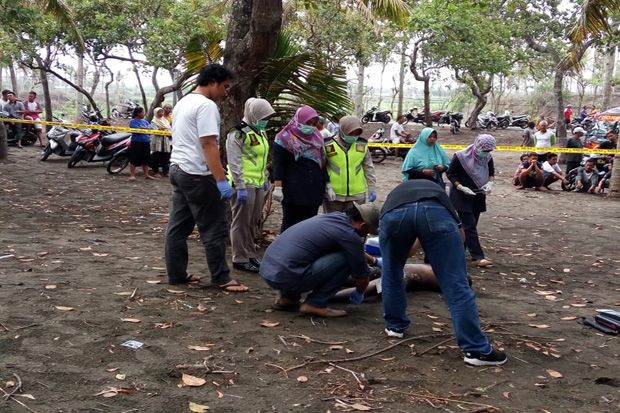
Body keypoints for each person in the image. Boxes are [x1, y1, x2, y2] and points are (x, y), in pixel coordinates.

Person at [379, 179, 507, 366]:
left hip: (394, 215)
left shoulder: (397, 193)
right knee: (456, 283)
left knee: (391, 272)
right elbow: (461, 234)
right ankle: (476, 350)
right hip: (435, 215)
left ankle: (395, 326)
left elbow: (404, 249)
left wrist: (415, 236)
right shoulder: (439, 195)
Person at [164, 64, 247, 292]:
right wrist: (221, 180)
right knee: (213, 228)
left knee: (178, 227)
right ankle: (221, 278)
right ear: (213, 82)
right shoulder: (206, 106)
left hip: (178, 169)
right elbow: (208, 143)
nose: (226, 92)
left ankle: (177, 274)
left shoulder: (183, 102)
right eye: (225, 87)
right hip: (198, 174)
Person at [259, 203, 379, 317]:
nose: (365, 235)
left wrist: (374, 261)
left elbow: (355, 252)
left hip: (269, 269)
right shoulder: (349, 234)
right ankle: (315, 304)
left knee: (304, 255)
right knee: (346, 260)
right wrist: (359, 292)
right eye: (367, 232)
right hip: (286, 275)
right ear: (363, 226)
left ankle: (287, 298)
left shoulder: (333, 218)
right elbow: (362, 275)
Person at [226, 97, 275, 273]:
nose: (266, 121)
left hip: (257, 182)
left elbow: (262, 159)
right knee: (241, 221)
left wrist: (264, 179)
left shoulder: (259, 132)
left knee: (253, 221)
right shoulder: (238, 133)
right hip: (243, 183)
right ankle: (239, 257)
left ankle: (250, 254)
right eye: (263, 117)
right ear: (254, 114)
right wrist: (239, 185)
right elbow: (234, 160)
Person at [271, 105, 328, 232]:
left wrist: (327, 184)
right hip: (293, 190)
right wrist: (278, 187)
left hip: (314, 189)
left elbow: (322, 163)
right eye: (308, 123)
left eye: (314, 123)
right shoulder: (283, 139)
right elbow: (278, 165)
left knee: (309, 226)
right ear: (298, 120)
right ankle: (286, 251)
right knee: (290, 224)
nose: (311, 126)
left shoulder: (317, 137)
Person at [446, 135, 496, 268]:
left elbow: (491, 171)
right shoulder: (461, 156)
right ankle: (478, 257)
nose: (486, 153)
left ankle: (458, 252)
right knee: (469, 225)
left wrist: (490, 183)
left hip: (478, 193)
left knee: (468, 225)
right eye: (484, 150)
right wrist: (460, 186)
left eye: (489, 151)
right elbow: (450, 173)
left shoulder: (488, 158)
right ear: (477, 146)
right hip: (462, 194)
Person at [323, 116, 377, 212]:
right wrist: (327, 186)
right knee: (334, 223)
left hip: (357, 195)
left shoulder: (362, 145)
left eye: (357, 133)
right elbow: (322, 168)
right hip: (334, 195)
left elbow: (369, 168)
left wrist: (372, 188)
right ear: (342, 130)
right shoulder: (328, 145)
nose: (353, 136)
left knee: (354, 224)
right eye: (351, 133)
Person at [128, 107, 155, 181]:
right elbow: (137, 130)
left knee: (145, 159)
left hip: (146, 142)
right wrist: (145, 128)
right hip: (136, 142)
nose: (144, 114)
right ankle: (132, 175)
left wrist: (144, 128)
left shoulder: (145, 121)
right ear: (138, 113)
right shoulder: (133, 121)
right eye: (142, 112)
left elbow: (151, 128)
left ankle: (146, 174)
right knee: (134, 159)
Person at [150, 107, 172, 177]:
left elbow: (169, 129)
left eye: (162, 112)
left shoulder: (165, 121)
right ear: (156, 113)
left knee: (165, 156)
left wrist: (163, 129)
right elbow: (155, 130)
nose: (161, 113)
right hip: (157, 140)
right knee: (156, 156)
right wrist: (161, 130)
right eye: (159, 112)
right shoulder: (154, 121)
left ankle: (165, 172)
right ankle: (156, 172)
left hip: (165, 140)